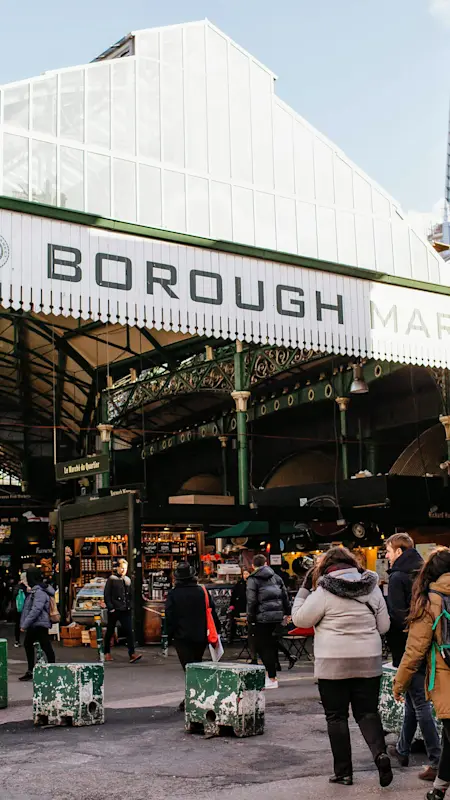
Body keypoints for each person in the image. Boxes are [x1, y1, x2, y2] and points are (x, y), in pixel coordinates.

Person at [292, 545, 392, 788]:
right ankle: (380, 754)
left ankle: (344, 773)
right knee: (367, 713)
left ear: (326, 568)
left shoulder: (323, 591)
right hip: (369, 661)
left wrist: (304, 589)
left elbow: (299, 619)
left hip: (333, 664)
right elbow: (384, 626)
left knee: (336, 717)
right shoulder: (372, 589)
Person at [394, 547, 450, 800]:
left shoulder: (430, 600)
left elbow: (415, 650)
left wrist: (400, 682)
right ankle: (439, 789)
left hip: (446, 677)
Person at [385, 532, 441, 781]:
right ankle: (402, 749)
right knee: (412, 699)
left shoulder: (397, 576)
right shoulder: (424, 571)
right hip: (429, 644)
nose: (386, 556)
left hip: (410, 646)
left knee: (419, 702)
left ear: (398, 551)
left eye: (388, 551)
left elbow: (398, 615)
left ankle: (437, 760)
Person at [165, 562, 221, 710]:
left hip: (182, 637)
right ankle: (195, 697)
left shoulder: (173, 594)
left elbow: (170, 617)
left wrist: (167, 636)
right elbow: (212, 611)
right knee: (197, 664)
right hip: (200, 635)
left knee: (188, 668)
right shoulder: (202, 591)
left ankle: (193, 699)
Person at [246, 553, 291, 689]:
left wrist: (250, 617)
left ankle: (271, 677)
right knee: (271, 645)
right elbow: (285, 597)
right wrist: (287, 613)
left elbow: (251, 601)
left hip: (261, 618)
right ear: (266, 563)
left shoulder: (253, 579)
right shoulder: (276, 577)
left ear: (253, 565)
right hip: (277, 617)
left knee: (263, 647)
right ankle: (272, 675)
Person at [18, 567, 56, 681]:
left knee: (43, 645)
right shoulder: (37, 590)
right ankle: (43, 669)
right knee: (37, 645)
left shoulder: (39, 591)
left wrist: (24, 624)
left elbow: (36, 609)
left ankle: (50, 669)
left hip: (38, 623)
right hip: (37, 623)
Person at [104, 558, 142, 664]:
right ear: (117, 568)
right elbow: (107, 595)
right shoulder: (112, 579)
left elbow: (130, 595)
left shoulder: (128, 579)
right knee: (110, 631)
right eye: (122, 568)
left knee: (129, 631)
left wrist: (130, 606)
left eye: (125, 568)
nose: (123, 570)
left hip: (125, 609)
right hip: (115, 610)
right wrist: (111, 608)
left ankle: (132, 653)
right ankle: (106, 652)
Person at [227, 569, 250, 643]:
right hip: (239, 606)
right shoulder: (239, 584)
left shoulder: (253, 584)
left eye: (247, 574)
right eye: (244, 574)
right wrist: (232, 605)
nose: (245, 576)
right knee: (233, 619)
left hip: (249, 606)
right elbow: (234, 595)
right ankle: (231, 636)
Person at [12, 573, 28, 647]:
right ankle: (30, 641)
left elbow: (13, 596)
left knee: (17, 624)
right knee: (29, 623)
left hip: (17, 608)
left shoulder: (17, 586)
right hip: (25, 608)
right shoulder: (26, 587)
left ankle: (17, 641)